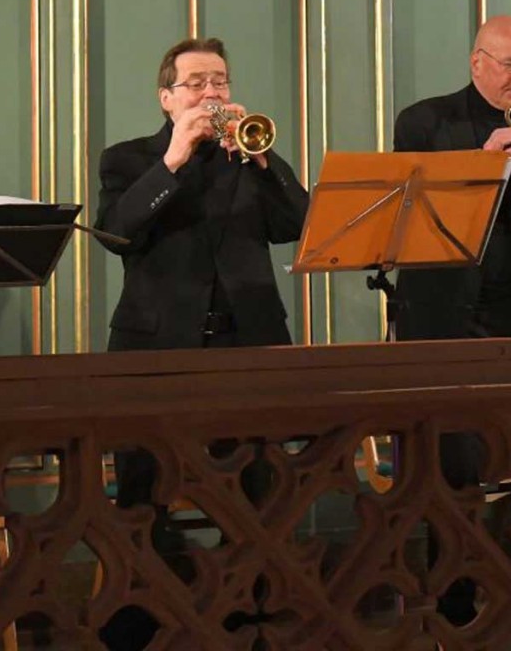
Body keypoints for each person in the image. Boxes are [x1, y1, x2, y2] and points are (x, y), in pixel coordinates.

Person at [95, 36, 308, 650]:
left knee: (259, 495)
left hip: (248, 349)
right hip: (157, 353)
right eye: (196, 83)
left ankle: (247, 621)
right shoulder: (128, 159)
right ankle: (139, 627)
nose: (211, 92)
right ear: (167, 98)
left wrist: (266, 163)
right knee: (143, 497)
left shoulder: (251, 155)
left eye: (220, 80)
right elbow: (115, 233)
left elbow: (298, 222)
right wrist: (174, 158)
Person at [393, 14, 511, 626]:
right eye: (510, 64)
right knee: (453, 474)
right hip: (442, 321)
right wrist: (483, 162)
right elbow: (416, 216)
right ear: (477, 62)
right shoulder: (424, 121)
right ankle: (454, 612)